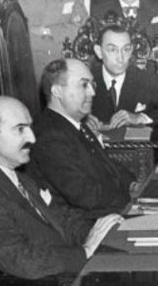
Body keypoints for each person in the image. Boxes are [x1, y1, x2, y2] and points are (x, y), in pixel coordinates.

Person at [0, 96, 122, 279]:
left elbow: (64, 221)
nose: (32, 138)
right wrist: (86, 251)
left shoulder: (21, 179)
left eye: (30, 128)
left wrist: (105, 235)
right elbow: (21, 261)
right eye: (20, 129)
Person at [26, 59, 135, 219]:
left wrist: (134, 185)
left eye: (92, 85)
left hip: (109, 210)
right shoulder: (49, 135)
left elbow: (110, 168)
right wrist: (134, 199)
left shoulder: (76, 123)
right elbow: (86, 195)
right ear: (57, 91)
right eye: (84, 85)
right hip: (90, 222)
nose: (92, 92)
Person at [88, 24, 158, 142]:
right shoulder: (86, 79)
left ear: (131, 50)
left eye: (126, 49)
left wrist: (140, 117)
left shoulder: (145, 79)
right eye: (112, 50)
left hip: (135, 153)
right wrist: (79, 118)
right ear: (99, 51)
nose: (120, 58)